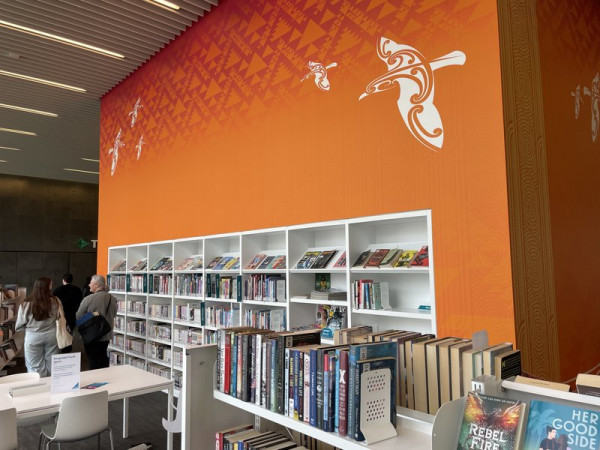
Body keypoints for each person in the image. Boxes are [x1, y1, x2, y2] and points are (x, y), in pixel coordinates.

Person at [15, 277, 60, 376]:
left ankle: (39, 387)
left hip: (33, 336)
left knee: (34, 366)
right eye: (50, 285)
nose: (52, 287)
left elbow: (19, 325)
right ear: (47, 287)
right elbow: (59, 317)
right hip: (52, 335)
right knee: (52, 364)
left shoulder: (26, 303)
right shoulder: (56, 301)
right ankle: (51, 386)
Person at [76, 274, 117, 369]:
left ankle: (95, 380)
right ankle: (105, 379)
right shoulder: (112, 299)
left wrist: (92, 315)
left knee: (93, 360)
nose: (89, 285)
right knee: (103, 357)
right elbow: (114, 314)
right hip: (106, 334)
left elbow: (78, 316)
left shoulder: (88, 299)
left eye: (91, 283)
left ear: (97, 284)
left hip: (91, 336)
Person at [52, 273, 83, 353]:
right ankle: (68, 348)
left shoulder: (57, 290)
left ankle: (63, 347)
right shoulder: (77, 290)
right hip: (73, 315)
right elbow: (80, 302)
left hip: (61, 315)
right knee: (70, 332)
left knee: (61, 331)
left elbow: (54, 304)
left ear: (63, 280)